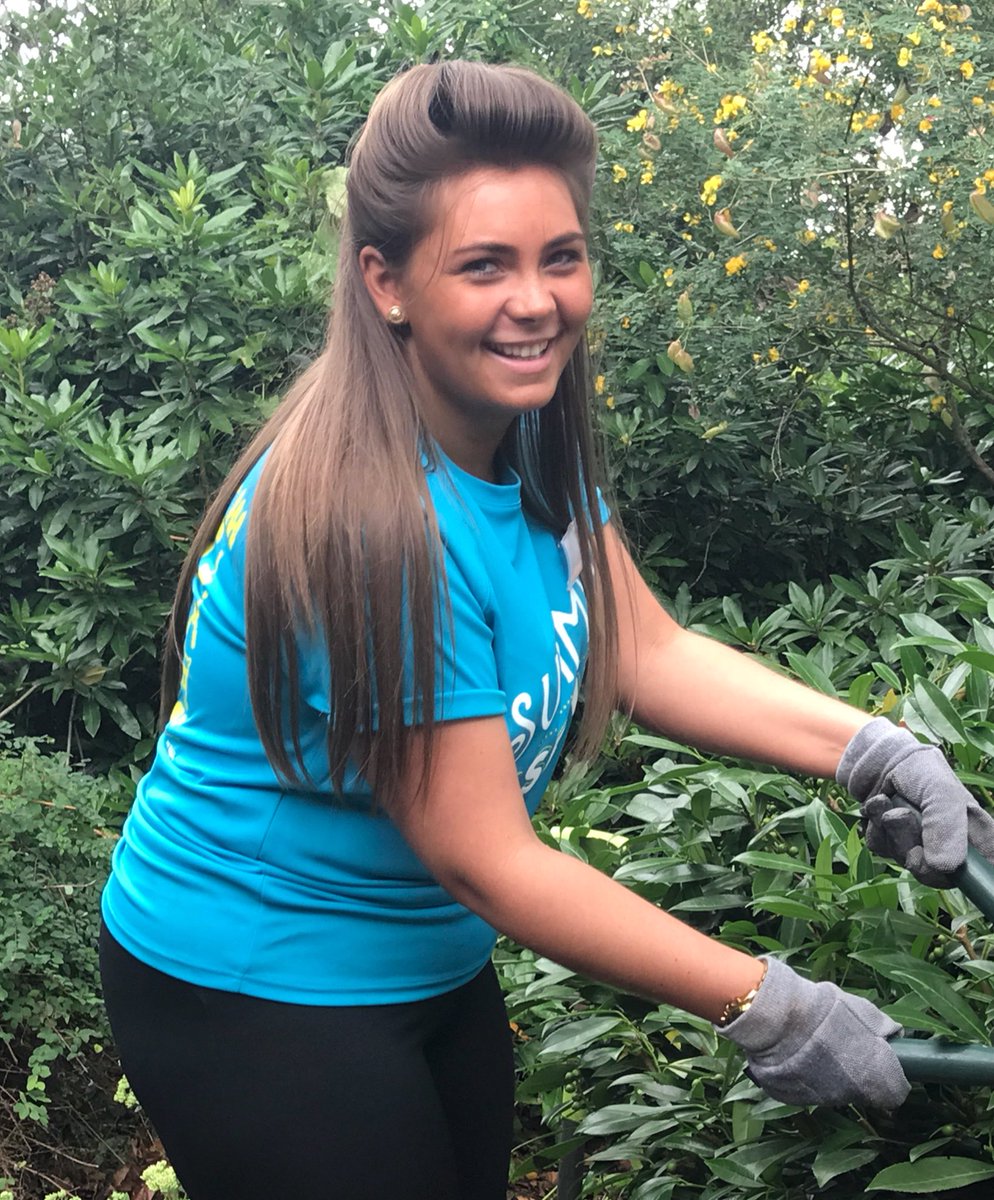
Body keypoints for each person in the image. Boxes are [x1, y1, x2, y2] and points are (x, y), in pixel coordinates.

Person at [98, 60, 994, 1200]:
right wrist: (763, 1002)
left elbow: (643, 649)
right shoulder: (375, 523)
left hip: (424, 957)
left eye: (558, 257)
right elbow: (489, 858)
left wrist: (873, 745)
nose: (536, 299)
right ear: (386, 281)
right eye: (484, 265)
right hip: (253, 982)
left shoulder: (513, 436)